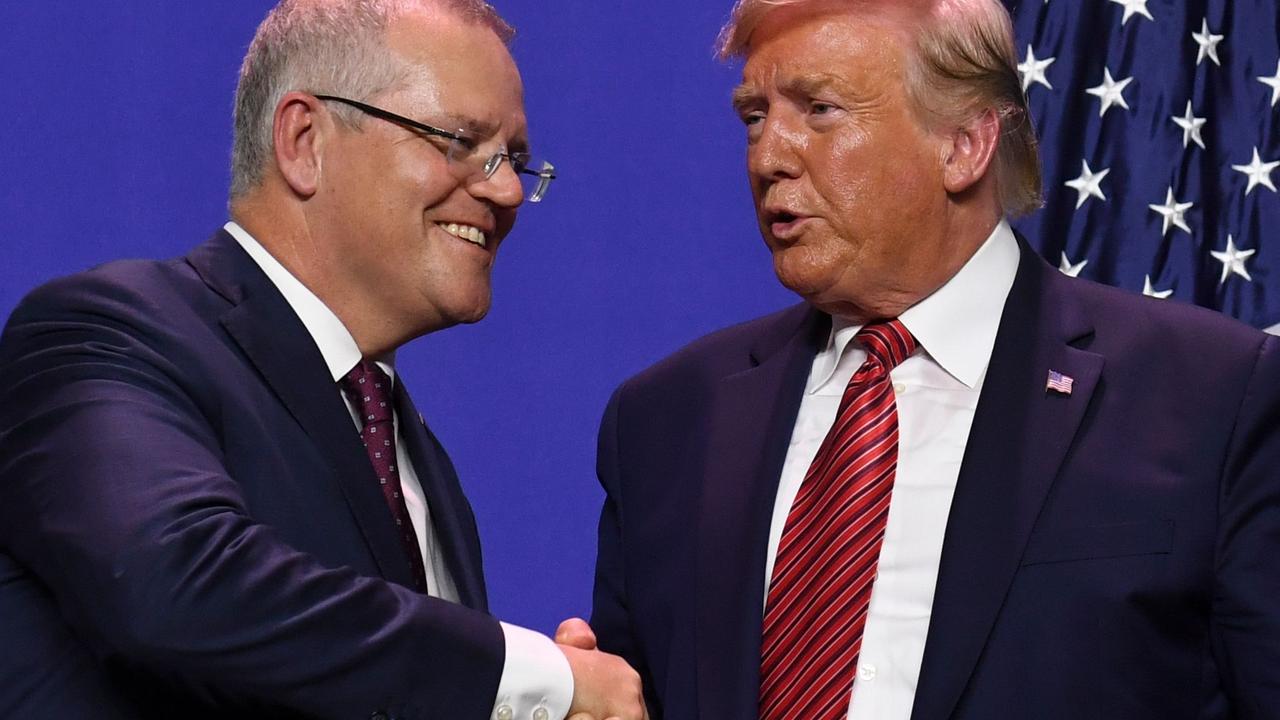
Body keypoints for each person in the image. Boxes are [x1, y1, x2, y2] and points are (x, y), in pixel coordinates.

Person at [581, 1, 1280, 718]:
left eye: (819, 110)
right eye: (754, 117)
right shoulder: (666, 420)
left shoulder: (1212, 398)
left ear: (963, 145)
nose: (768, 156)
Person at [0, 1, 646, 719]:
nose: (502, 190)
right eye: (462, 142)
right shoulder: (108, 334)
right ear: (304, 140)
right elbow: (169, 583)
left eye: (515, 161)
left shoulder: (417, 457)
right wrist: (529, 675)